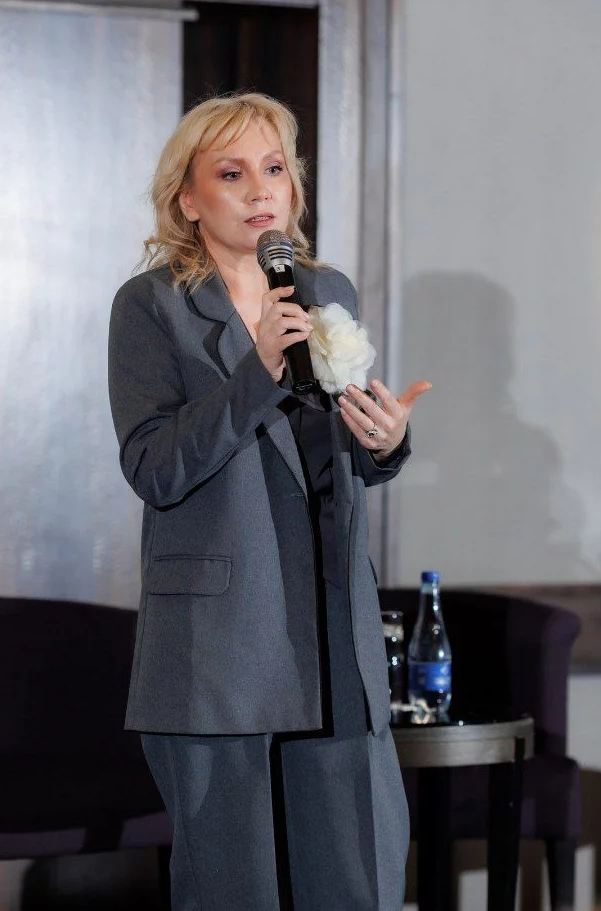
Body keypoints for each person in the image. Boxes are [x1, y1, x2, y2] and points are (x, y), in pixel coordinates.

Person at [108, 93, 431, 910]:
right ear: (188, 198)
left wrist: (384, 443)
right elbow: (154, 468)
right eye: (232, 173)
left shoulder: (325, 290)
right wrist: (255, 372)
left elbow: (330, 462)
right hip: (221, 652)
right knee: (235, 891)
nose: (260, 189)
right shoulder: (152, 306)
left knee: (356, 884)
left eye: (275, 168)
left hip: (333, 634)